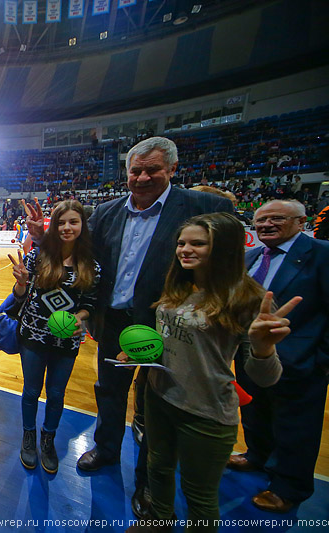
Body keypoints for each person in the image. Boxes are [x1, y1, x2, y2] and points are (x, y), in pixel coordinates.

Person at [25, 137, 233, 519]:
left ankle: (149, 483)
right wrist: (46, 239)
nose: (142, 177)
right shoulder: (106, 211)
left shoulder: (204, 207)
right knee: (109, 390)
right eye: (135, 170)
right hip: (114, 321)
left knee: (157, 403)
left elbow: (225, 260)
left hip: (165, 324)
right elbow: (82, 253)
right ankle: (105, 448)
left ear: (171, 169)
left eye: (152, 169)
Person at [125, 212, 296, 533]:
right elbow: (172, 340)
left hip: (206, 412)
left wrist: (263, 348)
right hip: (159, 396)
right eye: (181, 243)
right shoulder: (178, 284)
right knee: (157, 468)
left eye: (198, 244)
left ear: (224, 248)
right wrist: (139, 352)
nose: (185, 250)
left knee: (199, 494)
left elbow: (266, 378)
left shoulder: (248, 298)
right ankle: (160, 522)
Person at [227, 200, 329, 513]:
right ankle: (257, 456)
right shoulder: (251, 256)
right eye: (261, 220)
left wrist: (321, 359)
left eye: (277, 219)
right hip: (249, 352)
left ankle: (289, 487)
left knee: (296, 426)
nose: (267, 225)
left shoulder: (323, 254)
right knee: (255, 412)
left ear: (301, 222)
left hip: (299, 358)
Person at [8, 200, 100, 474]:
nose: (67, 227)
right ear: (54, 226)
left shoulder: (91, 266)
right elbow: (20, 297)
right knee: (31, 391)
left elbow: (90, 305)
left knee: (57, 394)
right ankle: (28, 436)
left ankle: (47, 439)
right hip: (33, 336)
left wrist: (79, 318)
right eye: (61, 222)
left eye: (73, 221)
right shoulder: (39, 256)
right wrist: (22, 282)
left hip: (67, 340)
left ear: (83, 225)